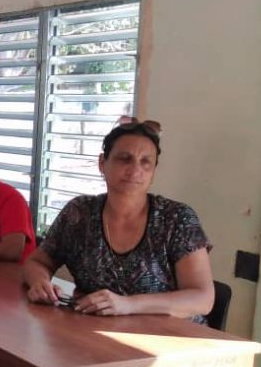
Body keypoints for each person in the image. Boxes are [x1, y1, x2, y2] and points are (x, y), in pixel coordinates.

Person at [22, 118, 214, 321]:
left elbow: (203, 299)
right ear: (102, 163)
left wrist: (129, 304)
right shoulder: (79, 213)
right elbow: (37, 262)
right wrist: (40, 282)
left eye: (145, 162)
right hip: (94, 330)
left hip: (170, 335)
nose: (135, 170)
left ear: (153, 172)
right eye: (124, 159)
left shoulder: (177, 218)